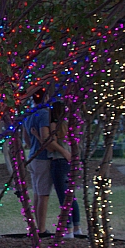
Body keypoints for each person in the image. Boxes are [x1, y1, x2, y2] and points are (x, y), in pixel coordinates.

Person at [47, 102, 82, 238]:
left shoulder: (54, 125)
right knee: (71, 196)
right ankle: (77, 227)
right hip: (68, 162)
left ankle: (68, 229)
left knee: (64, 197)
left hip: (58, 160)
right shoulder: (68, 126)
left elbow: (51, 143)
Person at [23, 89, 53, 235]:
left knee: (36, 193)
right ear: (45, 97)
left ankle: (36, 225)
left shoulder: (29, 115)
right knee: (43, 195)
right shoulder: (44, 114)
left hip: (32, 156)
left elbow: (26, 138)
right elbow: (45, 137)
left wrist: (32, 146)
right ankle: (41, 228)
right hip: (42, 158)